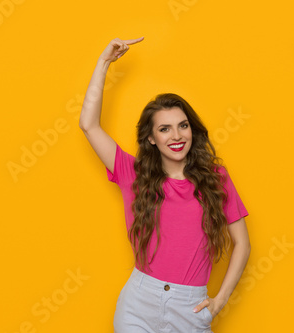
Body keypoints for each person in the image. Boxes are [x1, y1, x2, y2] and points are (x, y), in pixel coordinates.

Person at [79, 37, 251, 333]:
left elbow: (243, 244)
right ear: (151, 138)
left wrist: (220, 300)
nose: (176, 136)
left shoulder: (216, 177)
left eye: (183, 125)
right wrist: (103, 63)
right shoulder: (133, 173)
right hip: (139, 304)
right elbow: (89, 125)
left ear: (192, 130)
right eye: (164, 129)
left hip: (191, 307)